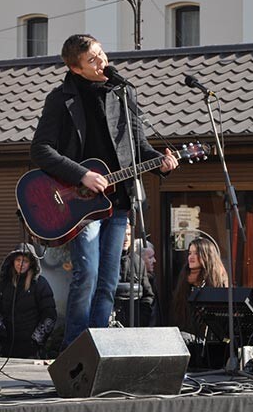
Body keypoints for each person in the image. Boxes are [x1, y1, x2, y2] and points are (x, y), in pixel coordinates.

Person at [29, 34, 179, 348]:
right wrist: (82, 174)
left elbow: (139, 148)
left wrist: (161, 162)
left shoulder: (123, 93)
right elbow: (40, 150)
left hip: (119, 200)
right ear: (76, 68)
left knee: (109, 282)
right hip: (81, 204)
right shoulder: (61, 98)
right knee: (88, 275)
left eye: (101, 54)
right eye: (93, 60)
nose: (102, 63)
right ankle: (74, 350)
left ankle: (98, 350)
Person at [0, 243, 56, 358]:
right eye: (18, 260)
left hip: (31, 351)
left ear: (31, 263)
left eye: (25, 261)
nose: (21, 264)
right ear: (13, 261)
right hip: (7, 349)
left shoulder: (40, 284)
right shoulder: (5, 283)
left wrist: (36, 340)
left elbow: (49, 315)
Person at [171, 237, 229, 340]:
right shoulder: (184, 278)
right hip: (188, 337)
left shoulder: (218, 279)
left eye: (196, 253)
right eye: (190, 253)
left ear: (207, 255)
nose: (191, 257)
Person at [114, 224, 154, 327]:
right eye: (123, 234)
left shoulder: (138, 262)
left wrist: (142, 321)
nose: (126, 238)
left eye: (129, 234)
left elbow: (147, 295)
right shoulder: (106, 261)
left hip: (133, 326)